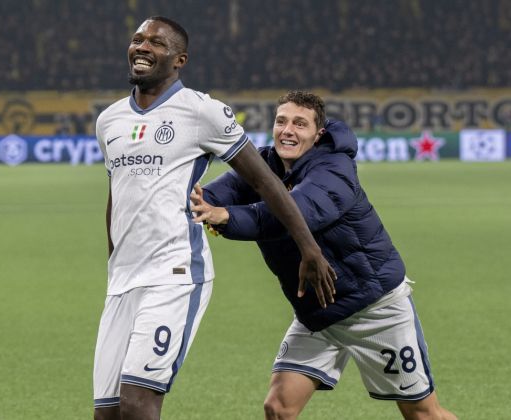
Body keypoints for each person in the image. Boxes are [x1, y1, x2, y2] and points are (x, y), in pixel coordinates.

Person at [93, 18, 336, 420]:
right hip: (122, 280)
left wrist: (308, 247)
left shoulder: (202, 111)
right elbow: (116, 196)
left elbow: (265, 181)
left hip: (173, 273)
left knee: (138, 403)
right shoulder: (110, 120)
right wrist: (113, 263)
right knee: (108, 414)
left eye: (155, 42)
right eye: (137, 39)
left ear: (179, 60)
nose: (142, 46)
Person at [191, 91, 457, 420]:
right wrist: (193, 198)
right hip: (318, 314)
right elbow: (215, 193)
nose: (287, 130)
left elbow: (294, 214)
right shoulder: (263, 166)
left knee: (423, 414)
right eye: (281, 121)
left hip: (375, 308)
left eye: (300, 124)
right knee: (278, 407)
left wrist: (226, 217)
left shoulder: (334, 169)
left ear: (318, 135)